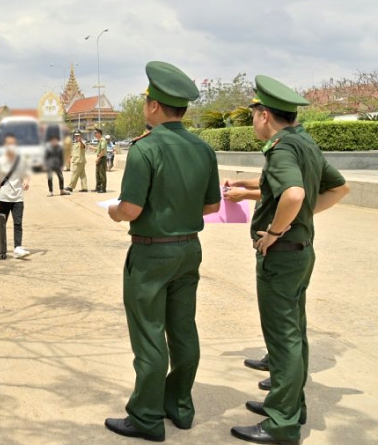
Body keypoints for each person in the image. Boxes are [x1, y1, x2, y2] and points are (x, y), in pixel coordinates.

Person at [104, 61, 221, 442]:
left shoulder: (145, 149)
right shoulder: (203, 149)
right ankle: (179, 406)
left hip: (152, 254)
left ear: (154, 106)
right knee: (183, 330)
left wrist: (113, 211)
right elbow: (210, 207)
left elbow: (131, 209)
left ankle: (146, 416)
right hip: (189, 249)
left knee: (149, 335)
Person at [229, 76, 349, 445]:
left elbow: (294, 194)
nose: (253, 123)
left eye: (253, 116)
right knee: (294, 333)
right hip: (301, 252)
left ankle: (282, 423)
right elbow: (339, 187)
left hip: (282, 255)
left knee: (282, 337)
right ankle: (289, 406)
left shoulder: (282, 148)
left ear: (265, 115)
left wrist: (277, 231)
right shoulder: (305, 143)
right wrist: (301, 222)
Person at [94, 128, 108, 193]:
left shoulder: (103, 140)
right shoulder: (100, 140)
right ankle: (98, 187)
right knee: (97, 174)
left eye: (96, 133)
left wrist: (98, 158)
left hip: (102, 158)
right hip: (100, 158)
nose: (95, 134)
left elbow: (102, 151)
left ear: (99, 133)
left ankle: (103, 188)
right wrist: (92, 148)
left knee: (102, 174)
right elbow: (99, 149)